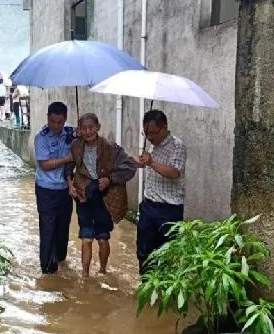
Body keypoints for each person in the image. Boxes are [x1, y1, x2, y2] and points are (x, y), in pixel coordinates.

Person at [66, 113, 136, 277]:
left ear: (98, 127)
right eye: (84, 128)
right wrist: (70, 184)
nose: (88, 131)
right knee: (86, 237)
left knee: (103, 238)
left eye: (91, 127)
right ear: (80, 129)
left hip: (104, 199)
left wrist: (110, 179)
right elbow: (68, 167)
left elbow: (129, 168)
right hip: (83, 196)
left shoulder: (111, 148)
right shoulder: (76, 146)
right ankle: (85, 276)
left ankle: (103, 271)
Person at [133, 109, 187, 274]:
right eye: (146, 133)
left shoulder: (177, 146)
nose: (150, 137)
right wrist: (139, 162)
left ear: (165, 128)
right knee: (144, 251)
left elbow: (174, 172)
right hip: (149, 205)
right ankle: (146, 287)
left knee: (166, 254)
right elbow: (152, 166)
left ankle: (163, 292)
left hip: (169, 209)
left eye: (153, 133)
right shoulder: (153, 144)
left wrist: (151, 163)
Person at [34, 102, 75, 274]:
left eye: (60, 122)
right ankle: (47, 269)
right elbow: (45, 164)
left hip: (66, 189)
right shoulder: (41, 137)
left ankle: (60, 260)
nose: (56, 126)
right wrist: (67, 159)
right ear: (48, 118)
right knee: (48, 227)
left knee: (63, 226)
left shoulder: (73, 133)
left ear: (65, 119)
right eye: (53, 122)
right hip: (46, 189)